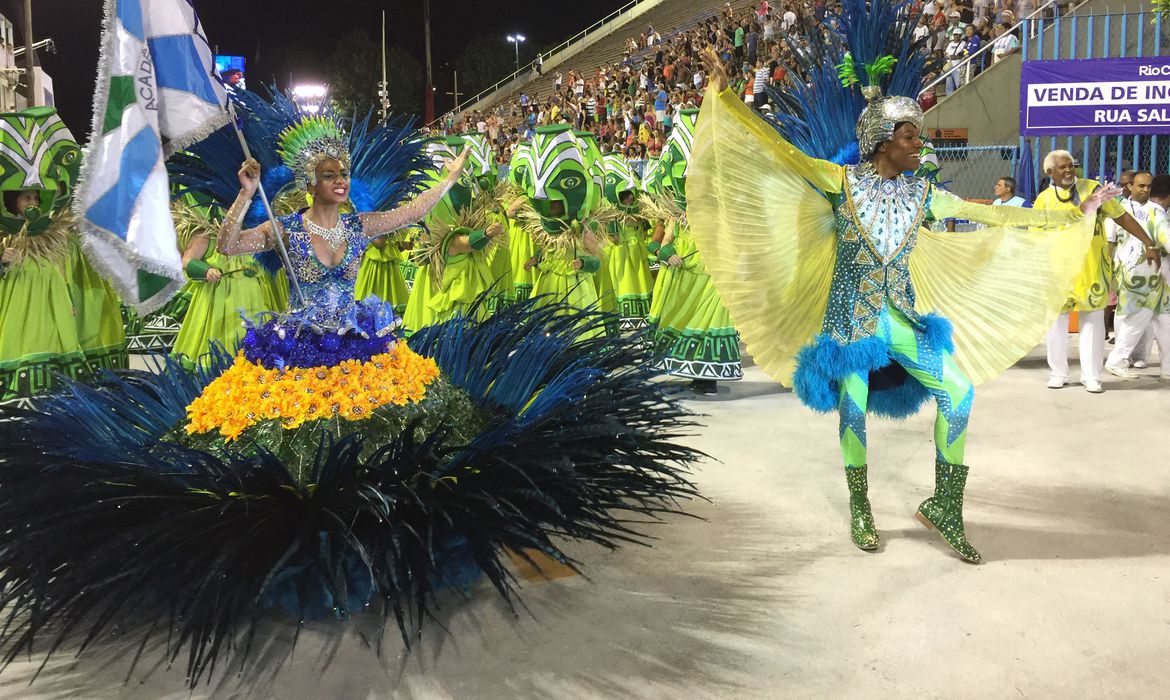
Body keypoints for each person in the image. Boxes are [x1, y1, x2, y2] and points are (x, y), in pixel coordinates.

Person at [691, 49, 1117, 562]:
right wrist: (727, 99)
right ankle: (860, 506)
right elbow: (780, 153)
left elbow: (1003, 219)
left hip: (902, 321)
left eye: (919, 134)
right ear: (881, 141)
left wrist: (1074, 217)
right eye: (911, 135)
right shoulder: (840, 181)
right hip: (850, 324)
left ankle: (945, 506)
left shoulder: (924, 195)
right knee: (853, 409)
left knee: (958, 392)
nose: (921, 143)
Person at [218, 121, 470, 331]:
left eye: (344, 174)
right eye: (329, 176)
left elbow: (413, 211)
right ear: (310, 185)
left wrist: (450, 178)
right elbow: (228, 246)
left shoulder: (359, 225)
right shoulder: (285, 229)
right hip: (298, 345)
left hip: (351, 341)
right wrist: (246, 193)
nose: (340, 181)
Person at [0, 107, 126, 406]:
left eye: (34, 197)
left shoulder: (53, 233)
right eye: (25, 197)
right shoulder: (5, 236)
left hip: (54, 304)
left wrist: (70, 302)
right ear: (12, 200)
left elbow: (60, 267)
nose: (31, 202)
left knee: (55, 348)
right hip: (16, 310)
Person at [1033, 151, 1160, 393]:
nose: (1069, 170)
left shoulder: (1093, 189)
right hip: (1058, 271)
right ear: (1050, 172)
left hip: (1092, 268)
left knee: (1092, 323)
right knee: (1056, 325)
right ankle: (1058, 372)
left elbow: (1122, 217)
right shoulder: (1043, 200)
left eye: (1071, 166)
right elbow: (1036, 236)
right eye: (1062, 167)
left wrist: (1148, 242)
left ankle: (1091, 376)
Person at [644, 108, 743, 394]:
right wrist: (668, 255)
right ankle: (696, 373)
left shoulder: (722, 210)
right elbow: (663, 243)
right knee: (686, 318)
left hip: (713, 274)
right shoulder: (677, 214)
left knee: (711, 319)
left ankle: (707, 377)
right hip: (687, 275)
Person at [1104, 172, 1168, 379]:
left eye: (1148, 186)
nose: (1145, 190)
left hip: (1151, 276)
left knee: (1162, 322)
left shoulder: (1152, 211)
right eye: (1140, 186)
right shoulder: (1129, 210)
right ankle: (1119, 360)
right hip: (1139, 275)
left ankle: (1160, 365)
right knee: (1131, 319)